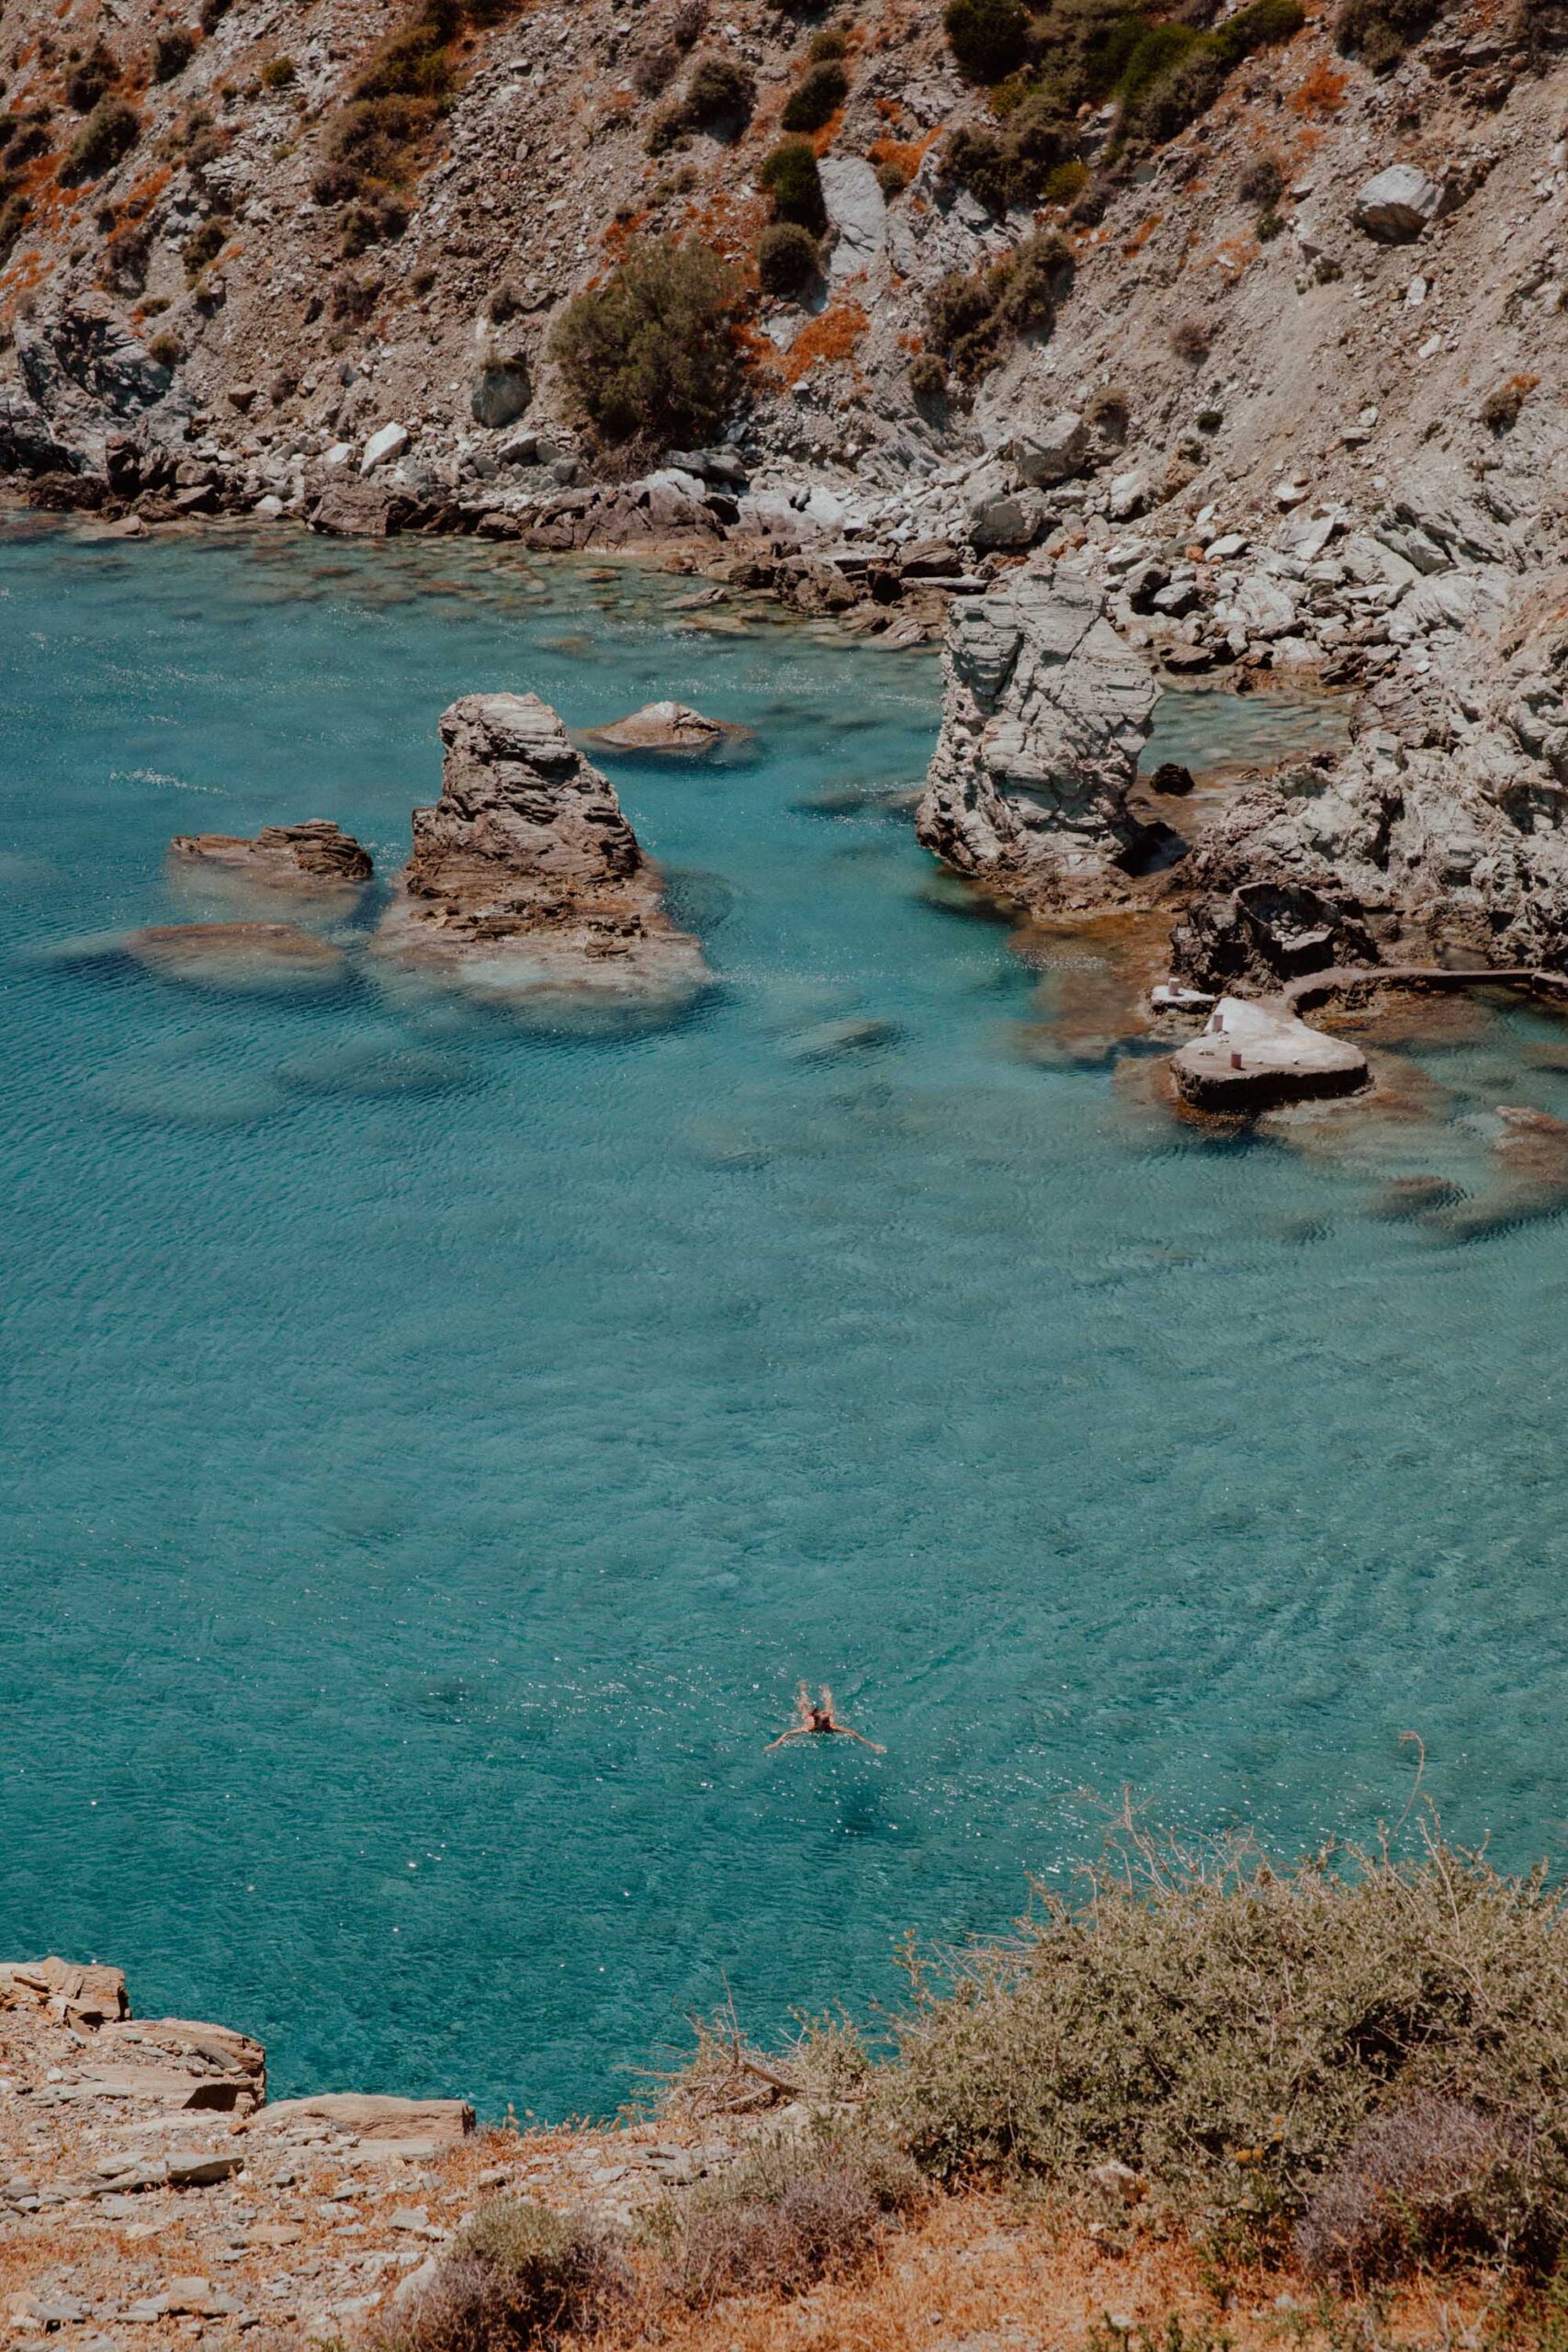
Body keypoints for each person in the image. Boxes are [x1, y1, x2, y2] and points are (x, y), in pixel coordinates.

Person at [765, 1682, 885, 1753]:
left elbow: (853, 1733)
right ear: (817, 1721)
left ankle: (825, 1688)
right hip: (808, 1716)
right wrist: (775, 1744)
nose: (828, 1722)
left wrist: (873, 1745)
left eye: (827, 1720)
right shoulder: (809, 1727)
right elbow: (787, 1734)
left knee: (829, 1704)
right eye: (825, 1720)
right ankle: (803, 1690)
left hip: (817, 1717)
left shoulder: (832, 1726)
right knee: (804, 1704)